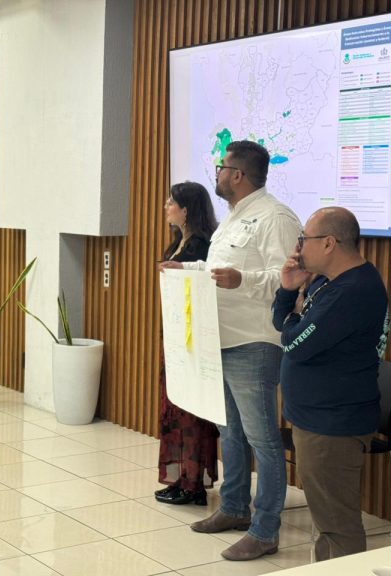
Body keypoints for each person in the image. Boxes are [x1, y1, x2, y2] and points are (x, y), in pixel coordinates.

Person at [164, 141, 301, 561]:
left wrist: (244, 279)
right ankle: (235, 507)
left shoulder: (275, 217)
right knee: (231, 432)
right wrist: (188, 268)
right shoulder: (233, 217)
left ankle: (265, 530)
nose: (218, 173)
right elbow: (217, 271)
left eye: (222, 167)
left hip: (254, 342)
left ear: (237, 175)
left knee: (263, 440)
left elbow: (290, 278)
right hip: (220, 339)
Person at [272, 207, 389, 561]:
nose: (298, 248)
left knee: (338, 527)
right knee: (328, 522)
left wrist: (292, 318)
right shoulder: (326, 281)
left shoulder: (353, 291)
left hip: (332, 426)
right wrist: (287, 291)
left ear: (328, 243)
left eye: (303, 239)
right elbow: (282, 324)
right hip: (317, 419)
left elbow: (295, 344)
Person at [154, 181, 220, 506]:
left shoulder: (202, 246)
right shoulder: (177, 243)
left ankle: (193, 481)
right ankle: (180, 476)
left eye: (172, 202)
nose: (166, 207)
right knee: (175, 407)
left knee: (191, 411)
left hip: (193, 340)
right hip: (176, 334)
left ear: (186, 210)